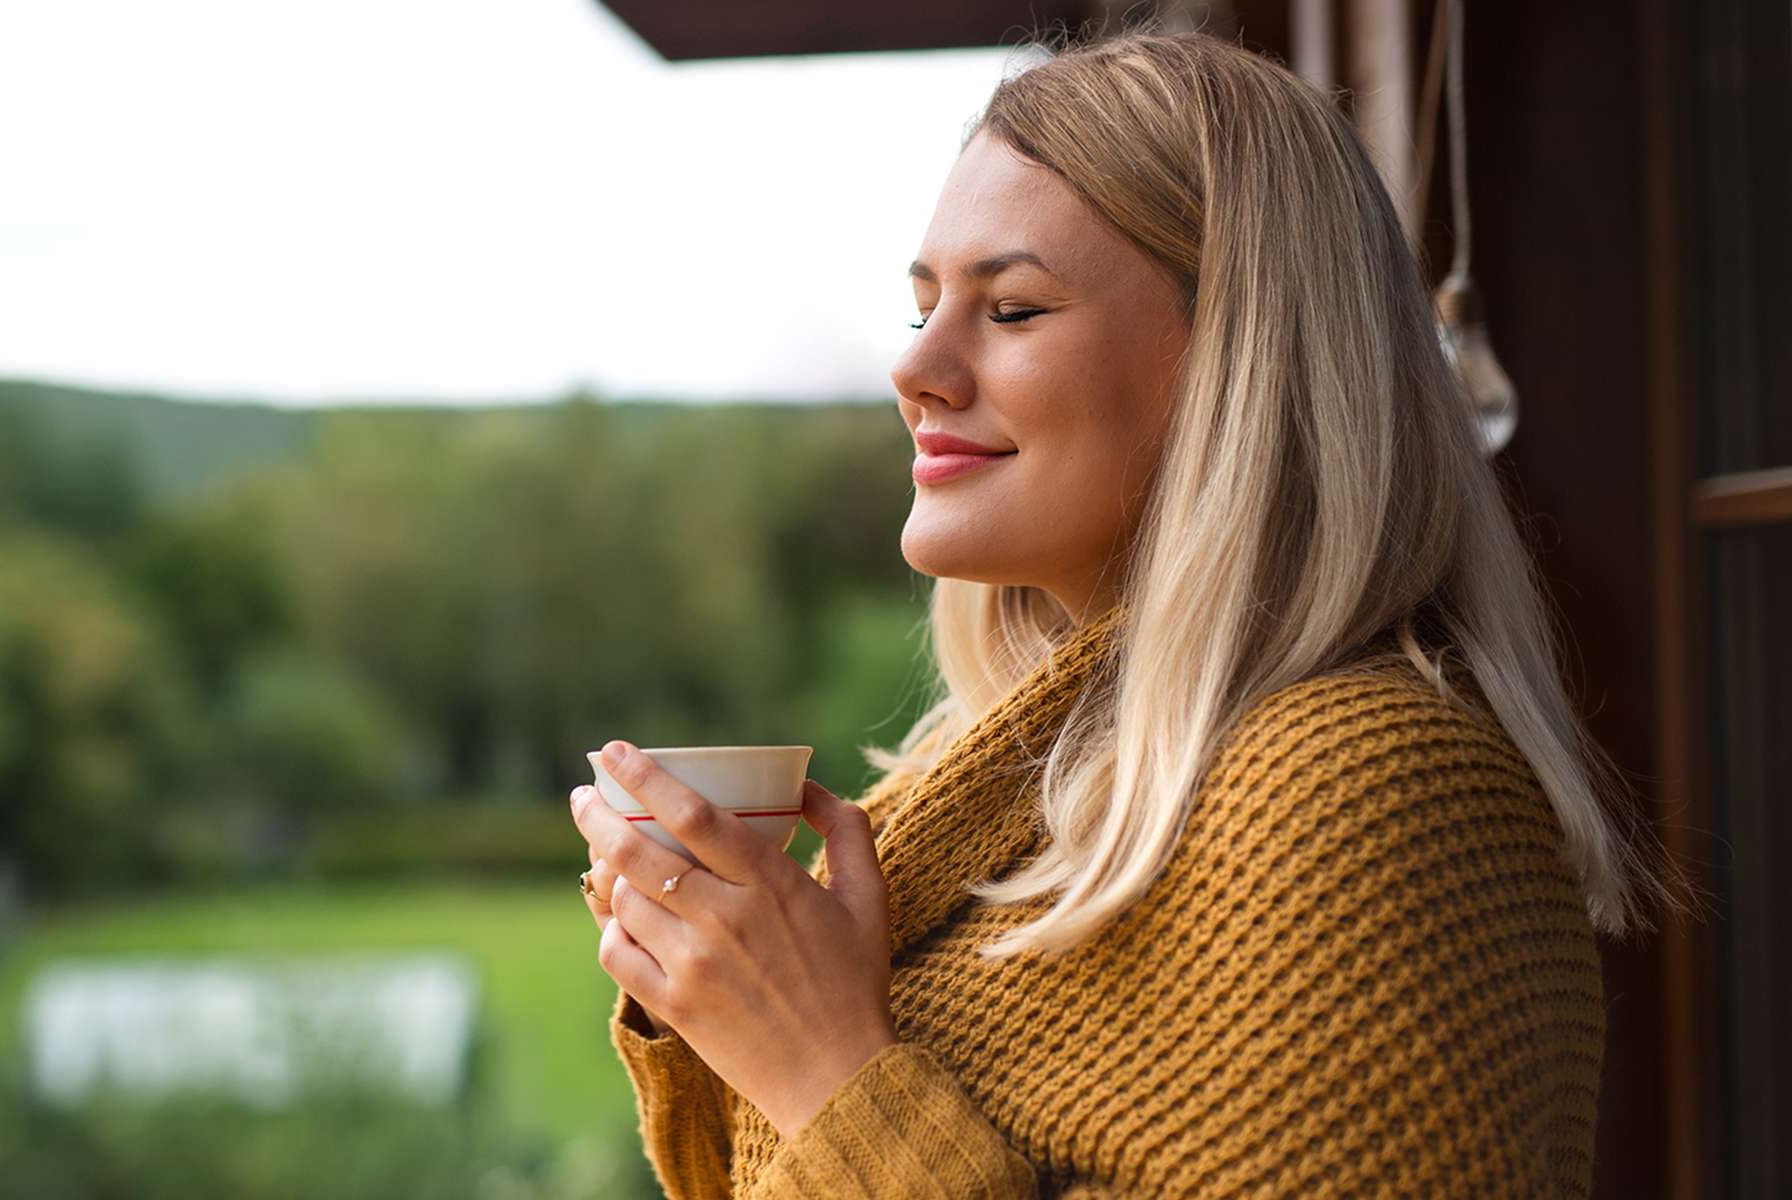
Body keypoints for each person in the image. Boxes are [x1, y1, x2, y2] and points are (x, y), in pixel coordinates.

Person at [566, 24, 1692, 1198]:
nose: (917, 369)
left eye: (1011, 310)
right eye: (923, 307)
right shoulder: (994, 795)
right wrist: (722, 998)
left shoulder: (1375, 796)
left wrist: (828, 1072)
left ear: (1237, 362)